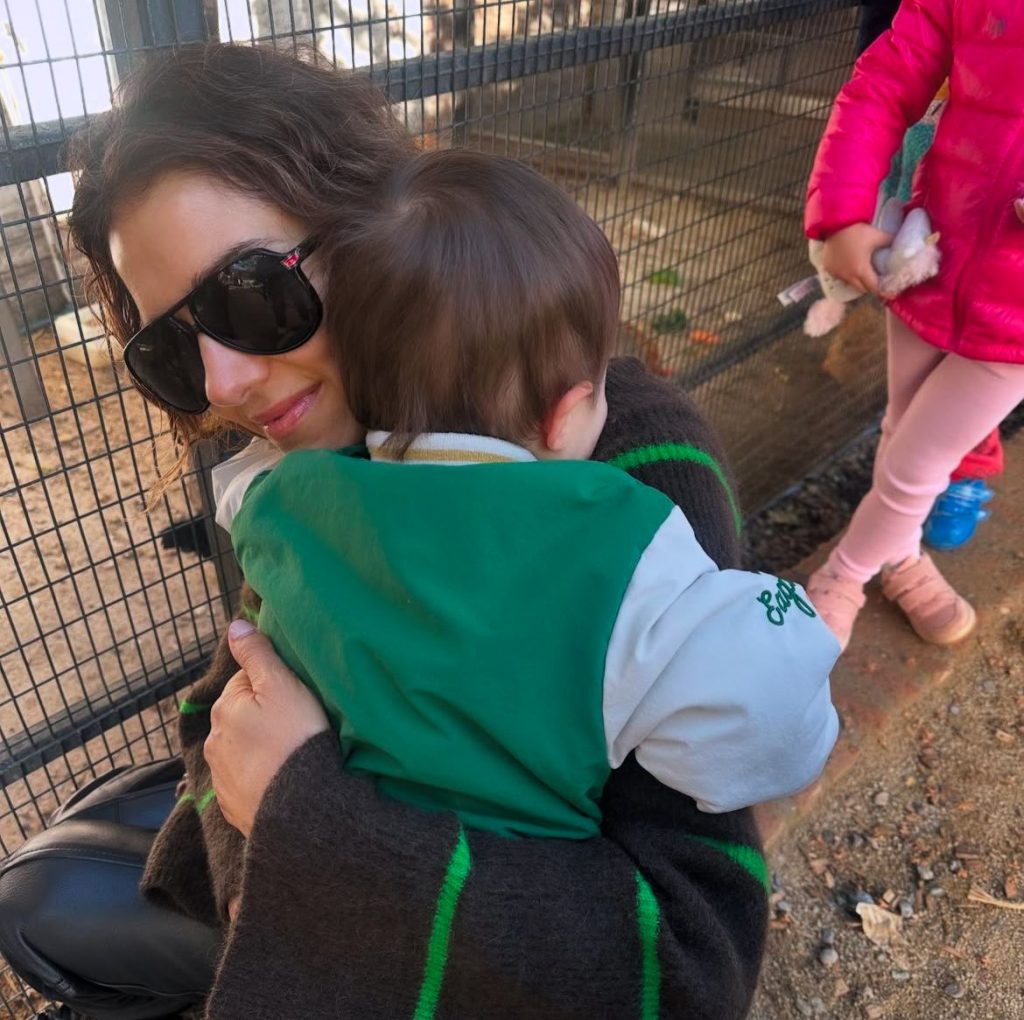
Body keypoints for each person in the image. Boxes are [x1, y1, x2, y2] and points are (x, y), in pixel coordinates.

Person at [0, 43, 772, 1020]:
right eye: (169, 349)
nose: (224, 383)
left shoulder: (617, 475)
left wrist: (305, 821)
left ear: (377, 225)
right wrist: (272, 860)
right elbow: (216, 718)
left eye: (245, 293)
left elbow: (696, 968)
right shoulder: (318, 469)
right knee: (36, 899)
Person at [211, 148, 840, 840]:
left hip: (330, 879)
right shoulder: (616, 536)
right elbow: (768, 722)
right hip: (518, 894)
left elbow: (239, 489)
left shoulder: (286, 502)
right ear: (562, 413)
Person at [804, 0, 1024, 651]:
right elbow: (881, 85)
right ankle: (900, 555)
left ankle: (841, 575)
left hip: (1014, 320)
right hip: (930, 257)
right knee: (903, 429)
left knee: (919, 462)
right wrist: (841, 214)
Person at [865, 4, 1003, 552]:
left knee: (971, 388)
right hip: (926, 152)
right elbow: (882, 77)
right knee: (914, 401)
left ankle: (960, 475)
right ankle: (896, 545)